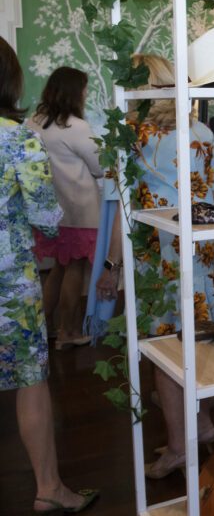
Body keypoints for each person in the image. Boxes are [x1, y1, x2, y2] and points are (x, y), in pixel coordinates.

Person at [0, 37, 99, 513]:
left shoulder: (34, 128)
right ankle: (49, 489)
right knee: (29, 382)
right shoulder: (16, 137)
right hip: (8, 283)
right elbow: (44, 216)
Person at [129, 53, 214, 479]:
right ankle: (201, 424)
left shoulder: (137, 136)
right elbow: (210, 195)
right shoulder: (201, 131)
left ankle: (178, 446)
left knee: (164, 353)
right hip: (199, 248)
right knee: (197, 342)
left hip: (160, 254)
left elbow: (128, 199)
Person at [26, 67, 103, 349]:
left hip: (51, 209)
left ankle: (43, 330)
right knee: (75, 268)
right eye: (84, 89)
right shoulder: (75, 127)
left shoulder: (33, 123)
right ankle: (68, 331)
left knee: (58, 268)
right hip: (79, 209)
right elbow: (100, 166)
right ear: (74, 92)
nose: (86, 94)